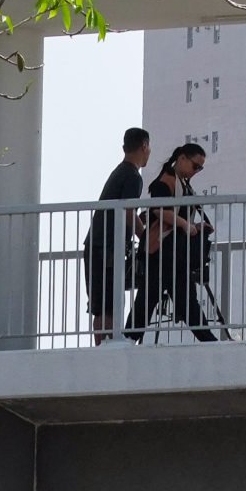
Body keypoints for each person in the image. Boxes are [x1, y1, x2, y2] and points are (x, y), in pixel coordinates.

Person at [139, 141, 220, 341]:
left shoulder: (180, 182)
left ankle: (128, 338)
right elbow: (160, 209)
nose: (196, 171)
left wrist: (195, 227)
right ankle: (209, 340)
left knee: (155, 299)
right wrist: (186, 225)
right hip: (164, 251)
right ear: (182, 158)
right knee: (165, 299)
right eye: (195, 166)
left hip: (172, 252)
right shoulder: (166, 181)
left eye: (200, 168)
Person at [88, 126, 155, 341]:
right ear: (144, 146)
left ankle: (102, 349)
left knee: (102, 306)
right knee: (108, 306)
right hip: (106, 249)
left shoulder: (120, 171)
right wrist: (146, 239)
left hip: (97, 245)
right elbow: (128, 211)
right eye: (149, 147)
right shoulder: (133, 176)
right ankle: (105, 351)